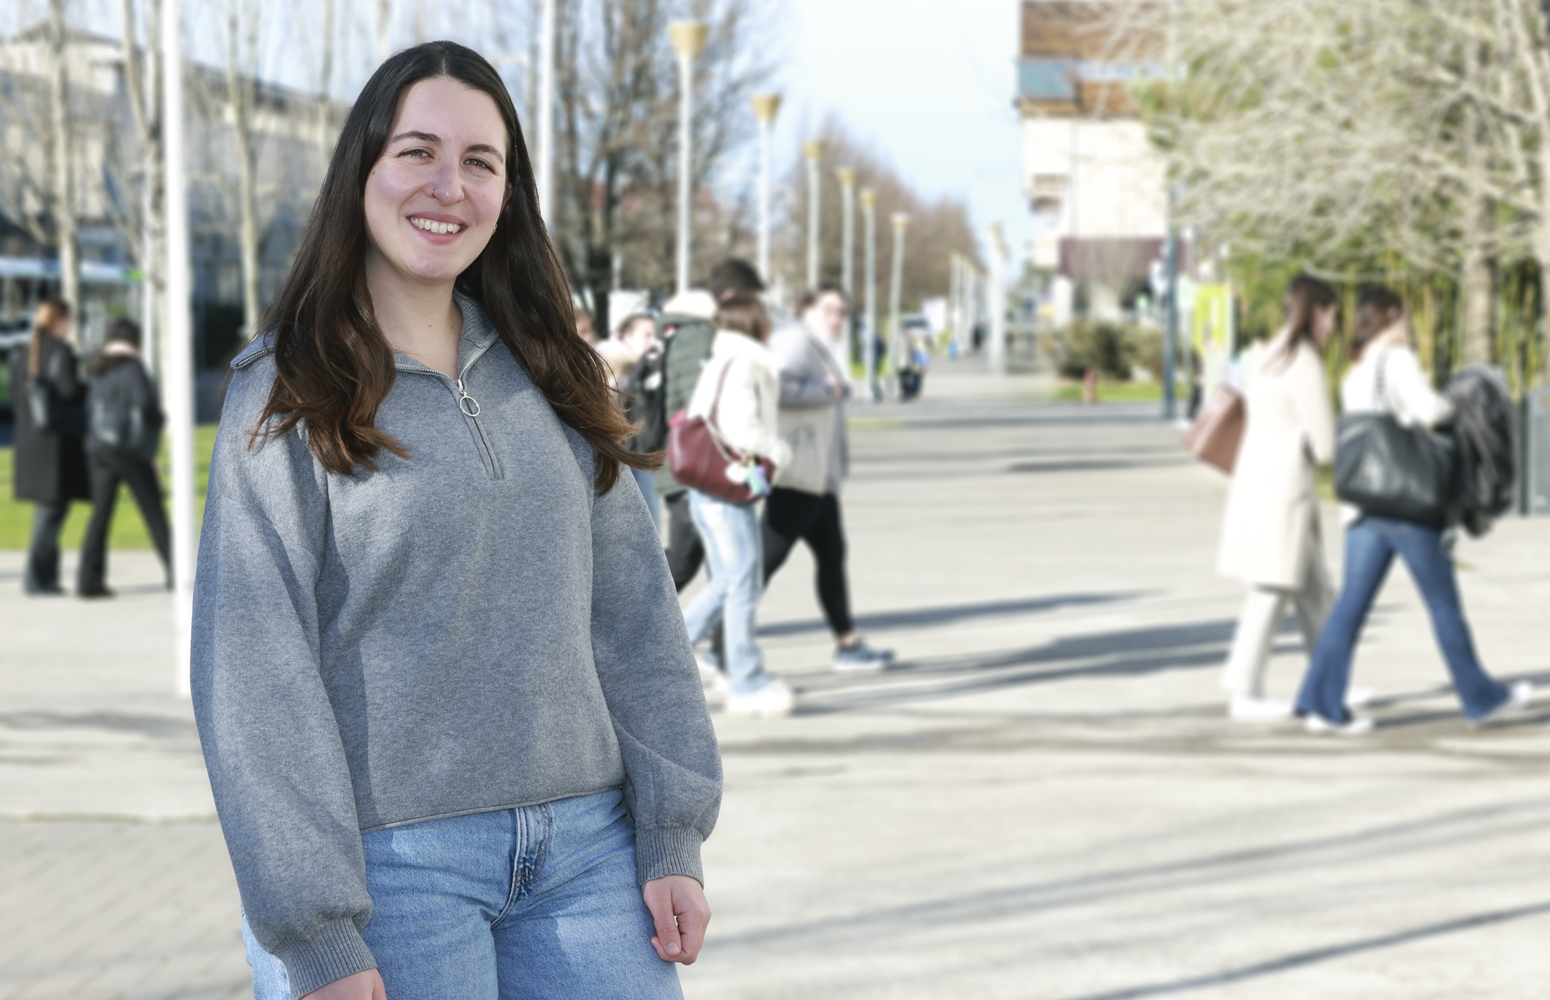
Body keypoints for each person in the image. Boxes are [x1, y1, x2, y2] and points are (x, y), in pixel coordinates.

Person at [190, 42, 719, 1000]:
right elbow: (254, 677)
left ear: (508, 195)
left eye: (481, 161)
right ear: (363, 169)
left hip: (591, 857)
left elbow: (635, 613)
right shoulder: (285, 391)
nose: (449, 187)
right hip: (391, 874)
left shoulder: (554, 373)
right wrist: (316, 935)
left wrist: (670, 829)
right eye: (417, 152)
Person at [1294, 288, 1533, 734]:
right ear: (1391, 317)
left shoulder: (1356, 367)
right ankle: (1481, 699)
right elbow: (1429, 410)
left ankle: (1320, 703)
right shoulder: (1398, 359)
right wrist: (1452, 403)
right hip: (1409, 505)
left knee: (1349, 608)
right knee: (1443, 604)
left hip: (1365, 506)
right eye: (1403, 317)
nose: (1408, 325)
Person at [1215, 275, 1337, 721]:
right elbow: (1325, 446)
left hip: (1259, 485)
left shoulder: (1265, 354)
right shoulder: (1303, 362)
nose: (1333, 327)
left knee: (1316, 593)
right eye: (1332, 316)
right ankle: (1244, 690)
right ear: (1318, 312)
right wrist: (1306, 439)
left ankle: (1330, 683)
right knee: (1271, 590)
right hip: (1287, 494)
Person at [765, 284, 892, 671]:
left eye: (841, 312)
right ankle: (718, 645)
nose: (836, 318)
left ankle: (847, 643)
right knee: (763, 563)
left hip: (817, 474)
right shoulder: (797, 342)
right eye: (828, 310)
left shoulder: (819, 345)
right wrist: (827, 389)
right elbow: (777, 385)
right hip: (799, 474)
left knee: (832, 555)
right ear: (805, 309)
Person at [680, 293, 793, 718]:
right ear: (754, 323)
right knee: (743, 581)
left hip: (708, 486)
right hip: (726, 488)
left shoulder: (722, 358)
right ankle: (745, 680)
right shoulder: (743, 363)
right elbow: (740, 426)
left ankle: (668, 658)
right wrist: (778, 451)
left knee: (728, 580)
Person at [657, 260, 765, 591]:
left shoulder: (699, 332)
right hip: (693, 467)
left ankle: (721, 628)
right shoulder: (698, 336)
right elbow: (702, 412)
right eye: (751, 300)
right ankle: (618, 614)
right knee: (695, 564)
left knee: (710, 565)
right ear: (730, 296)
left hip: (695, 467)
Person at [78, 318, 171, 597]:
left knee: (100, 515)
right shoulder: (133, 367)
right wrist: (159, 420)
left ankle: (89, 582)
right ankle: (178, 573)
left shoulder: (99, 366)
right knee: (153, 511)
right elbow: (146, 405)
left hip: (98, 448)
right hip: (129, 450)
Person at [9, 299, 88, 596]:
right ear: (59, 321)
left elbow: (16, 399)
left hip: (31, 444)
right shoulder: (61, 352)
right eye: (69, 320)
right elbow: (68, 391)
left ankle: (46, 578)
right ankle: (36, 579)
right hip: (55, 447)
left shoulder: (23, 353)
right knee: (51, 513)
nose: (71, 326)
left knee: (47, 512)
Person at [598, 312, 662, 529]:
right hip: (621, 455)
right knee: (647, 523)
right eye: (647, 335)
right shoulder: (615, 362)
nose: (653, 341)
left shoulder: (639, 365)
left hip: (630, 452)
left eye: (656, 335)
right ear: (626, 336)